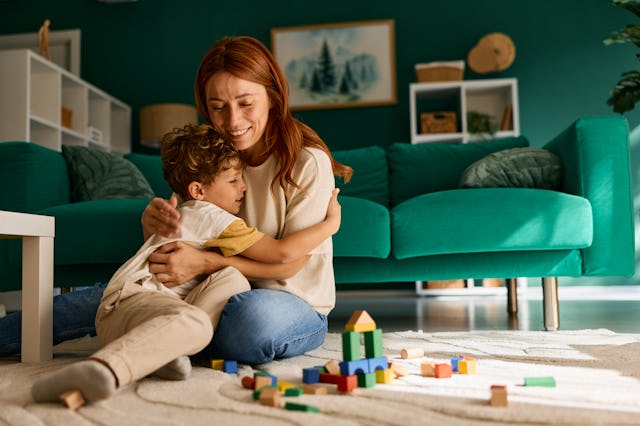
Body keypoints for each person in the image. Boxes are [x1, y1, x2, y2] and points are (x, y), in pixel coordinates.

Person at [0, 35, 352, 363]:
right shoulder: (214, 156)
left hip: (289, 302)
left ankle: (164, 338)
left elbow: (289, 264)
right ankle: (171, 337)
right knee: (105, 301)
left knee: (248, 321)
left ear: (273, 97)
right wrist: (154, 223)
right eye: (218, 107)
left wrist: (206, 263)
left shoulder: (306, 161)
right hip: (206, 289)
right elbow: (187, 230)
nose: (232, 121)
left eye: (246, 103)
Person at [30, 122, 341, 404]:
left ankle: (168, 351)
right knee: (195, 323)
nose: (243, 188)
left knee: (230, 277)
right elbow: (279, 254)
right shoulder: (212, 216)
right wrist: (330, 226)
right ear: (198, 190)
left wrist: (209, 261)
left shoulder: (195, 208)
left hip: (144, 302)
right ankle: (103, 369)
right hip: (132, 302)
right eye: (234, 181)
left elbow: (232, 267)